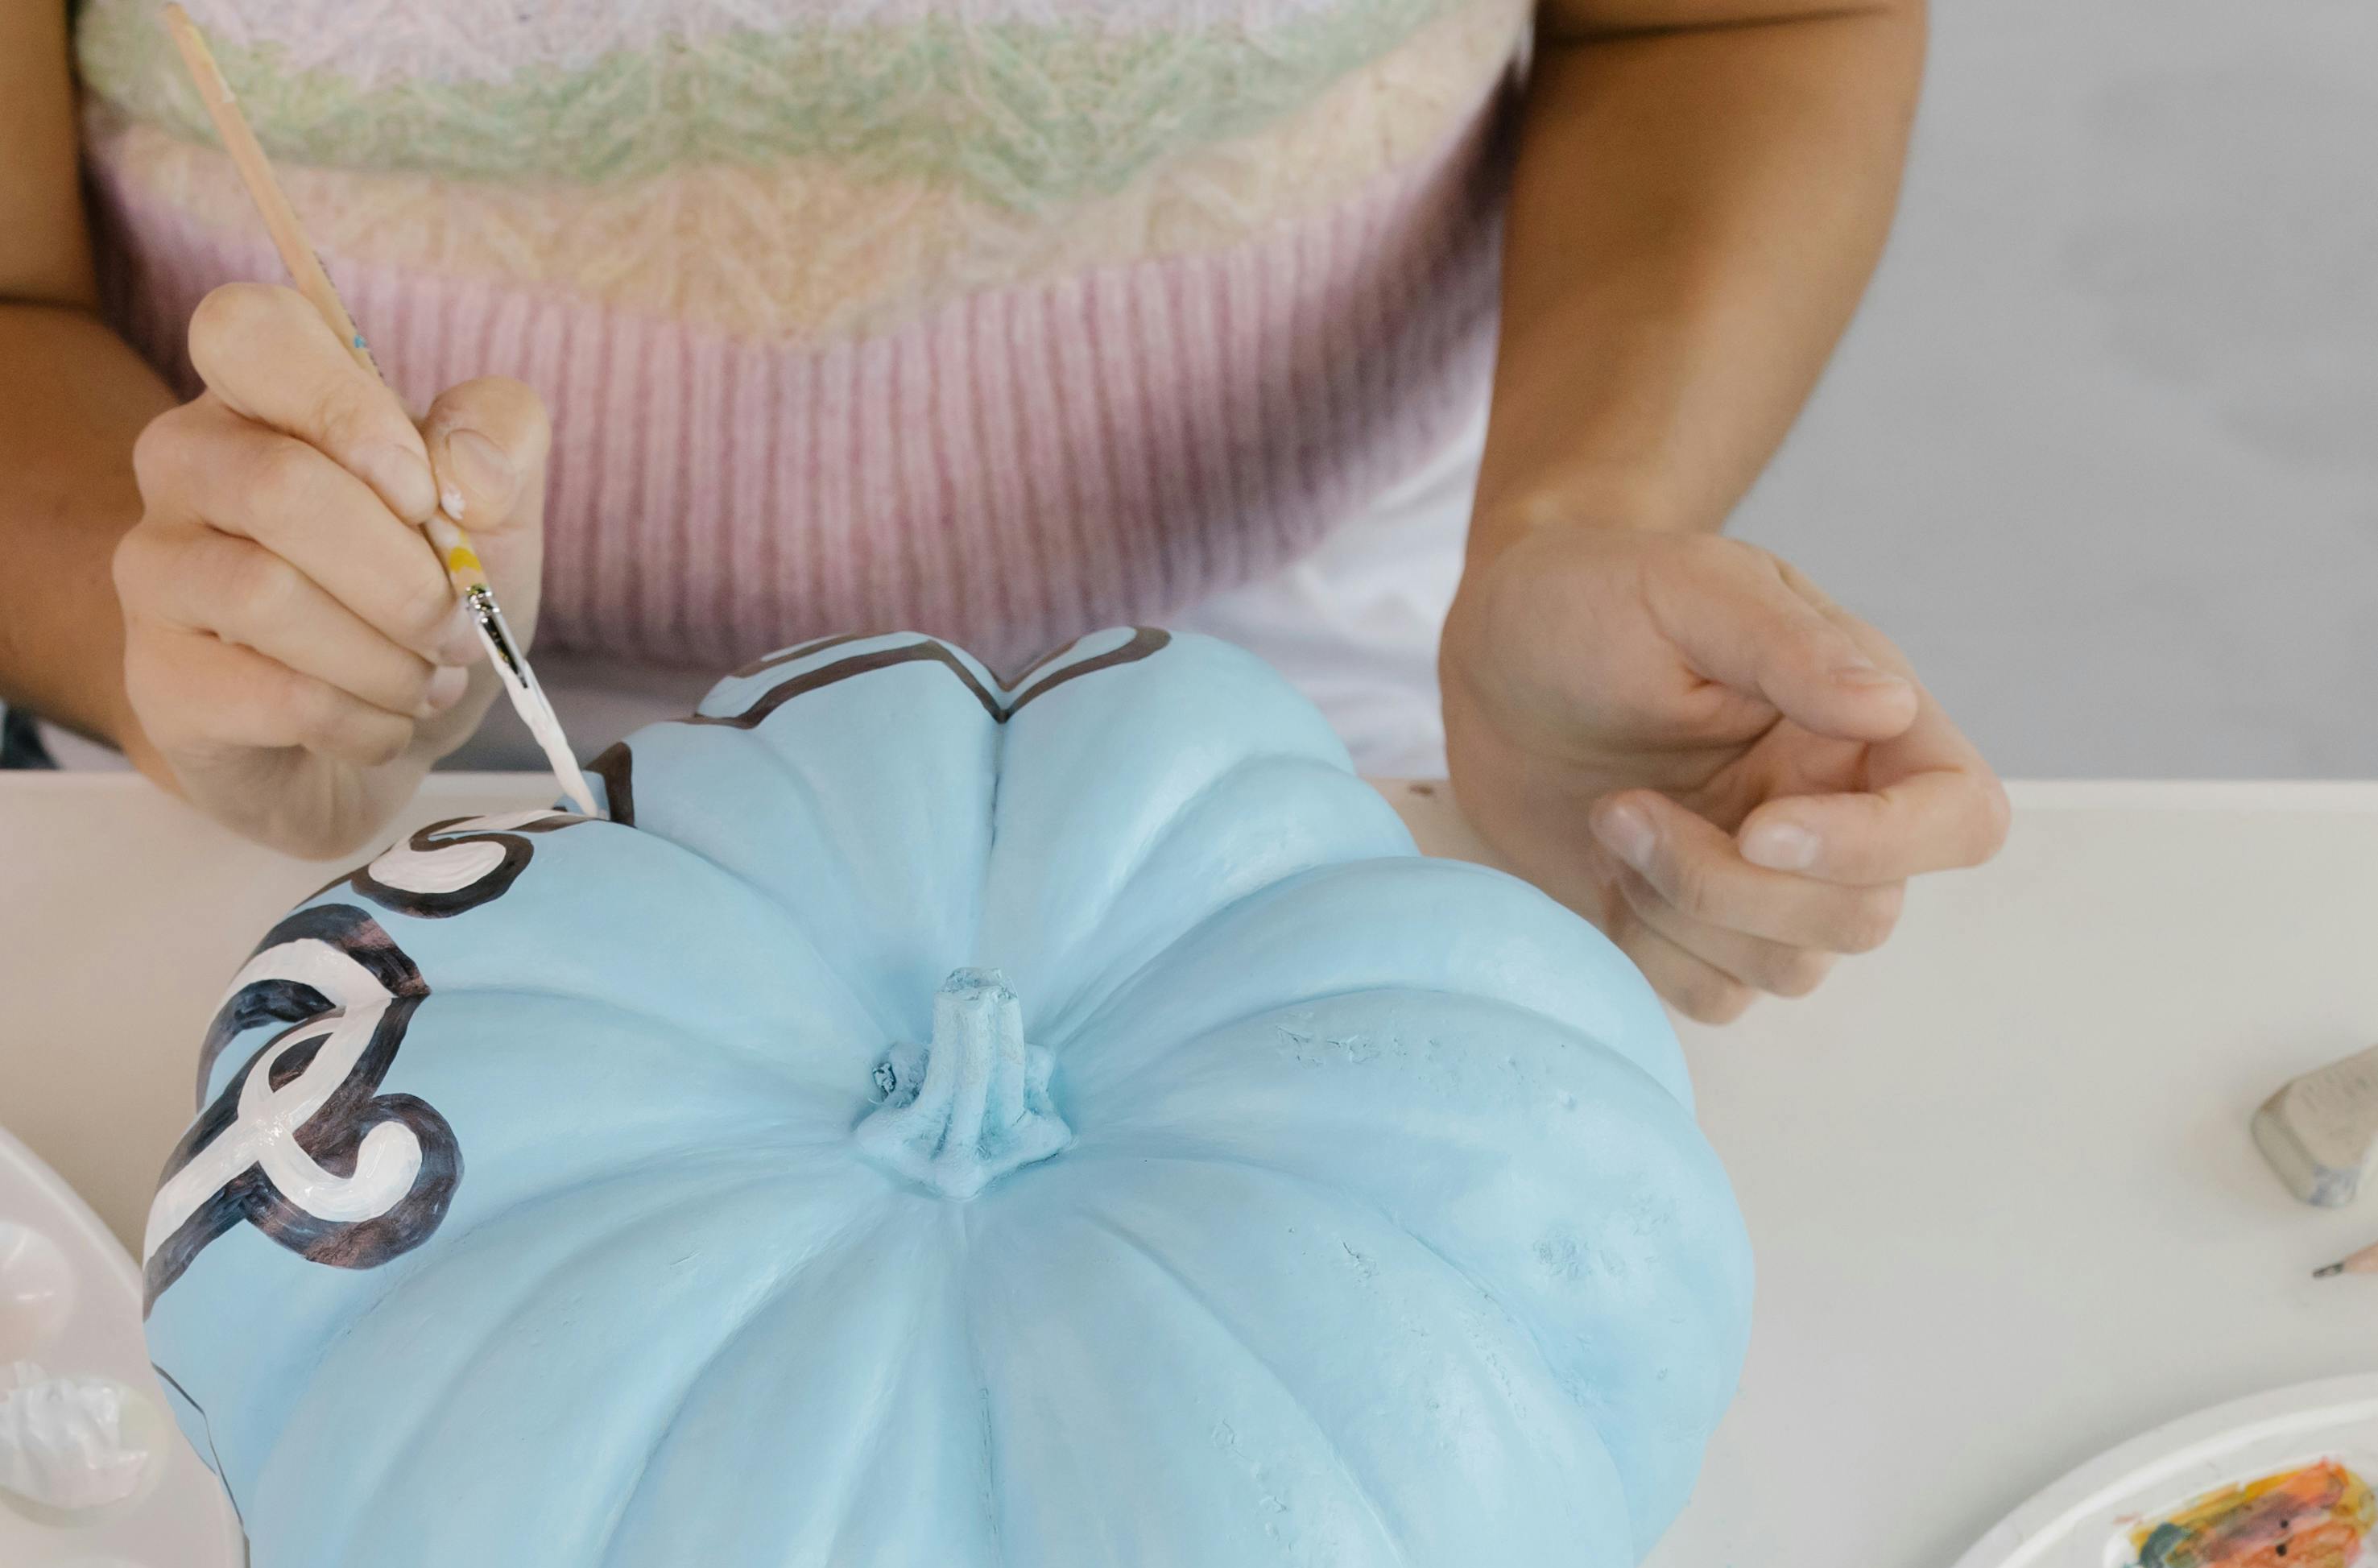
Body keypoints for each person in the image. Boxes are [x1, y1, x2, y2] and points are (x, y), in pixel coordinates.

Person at [0, 0, 2005, 1018]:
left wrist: (1581, 512)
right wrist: (188, 625)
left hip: (1327, 636)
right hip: (306, 663)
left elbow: (1724, 18)